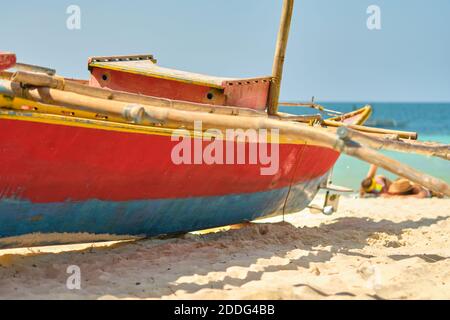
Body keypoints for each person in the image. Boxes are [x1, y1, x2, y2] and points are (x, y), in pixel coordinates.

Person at [360, 165, 433, 199]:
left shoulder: (379, 182)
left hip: (401, 186)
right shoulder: (387, 190)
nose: (380, 187)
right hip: (400, 187)